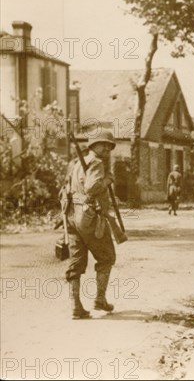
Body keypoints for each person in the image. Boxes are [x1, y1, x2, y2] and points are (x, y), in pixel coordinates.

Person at [63, 131, 117, 319]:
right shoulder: (96, 162)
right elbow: (92, 188)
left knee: (76, 262)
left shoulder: (76, 163)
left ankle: (76, 306)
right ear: (93, 146)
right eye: (103, 145)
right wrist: (109, 179)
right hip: (89, 218)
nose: (107, 149)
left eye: (109, 146)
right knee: (107, 257)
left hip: (72, 217)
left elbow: (65, 190)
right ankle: (100, 300)